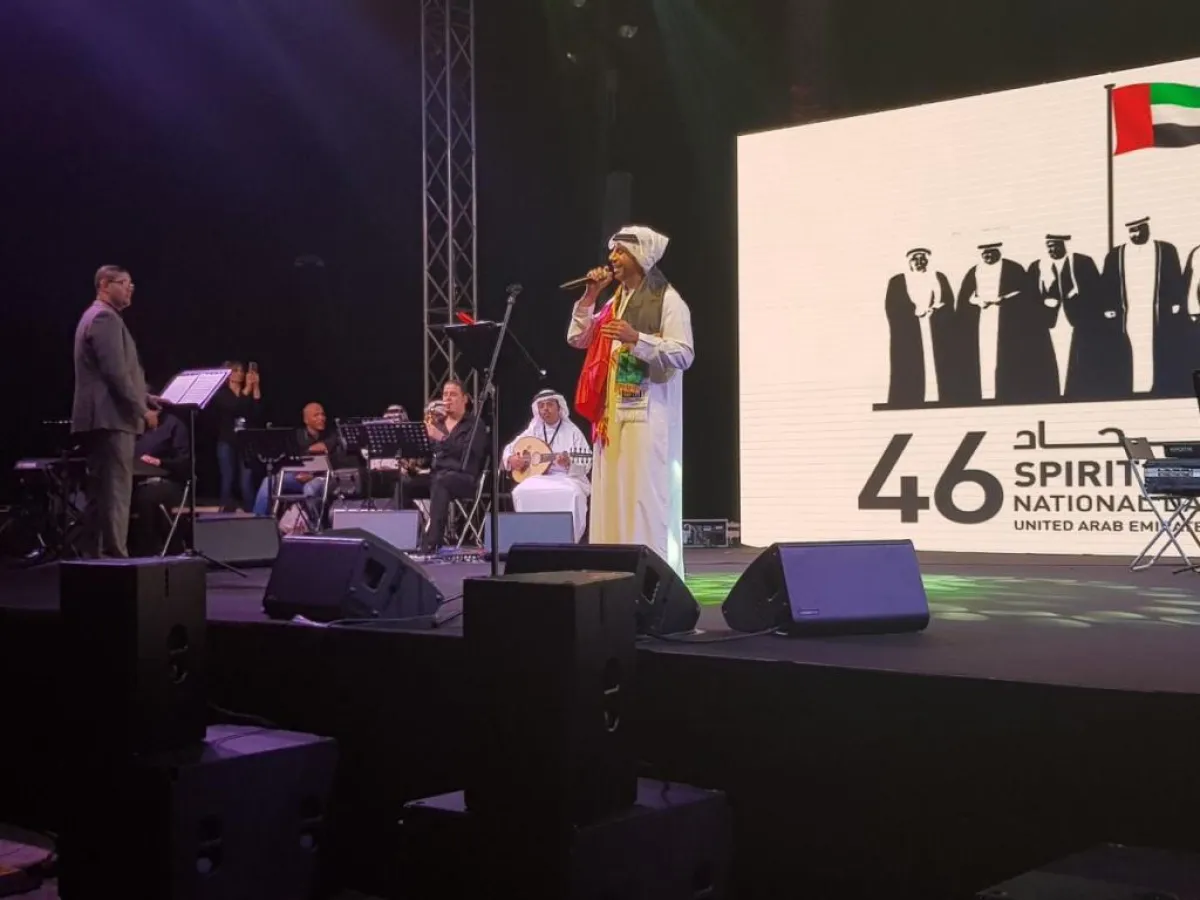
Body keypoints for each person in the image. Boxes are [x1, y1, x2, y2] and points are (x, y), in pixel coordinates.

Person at [567, 225, 694, 576]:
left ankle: (654, 579)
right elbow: (578, 339)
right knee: (612, 499)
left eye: (620, 252)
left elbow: (684, 354)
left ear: (641, 256)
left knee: (645, 500)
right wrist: (590, 297)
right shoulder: (614, 302)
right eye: (613, 251)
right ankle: (613, 576)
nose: (612, 258)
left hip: (649, 417)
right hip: (612, 418)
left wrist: (637, 338)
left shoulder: (668, 300)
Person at [71, 265, 158, 558]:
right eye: (124, 282)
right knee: (116, 491)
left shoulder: (97, 316)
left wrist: (147, 396)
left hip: (103, 418)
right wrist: (142, 409)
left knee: (101, 493)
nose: (130, 288)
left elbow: (110, 373)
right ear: (105, 285)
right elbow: (115, 373)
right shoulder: (104, 318)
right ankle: (114, 557)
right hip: (110, 418)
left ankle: (95, 557)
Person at [404, 380, 488, 554]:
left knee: (442, 480)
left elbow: (468, 454)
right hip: (437, 475)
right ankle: (410, 537)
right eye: (445, 394)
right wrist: (412, 465)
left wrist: (442, 438)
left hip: (464, 478)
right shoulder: (438, 423)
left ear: (465, 399)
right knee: (404, 482)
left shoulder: (475, 425)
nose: (447, 399)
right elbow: (427, 457)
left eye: (453, 394)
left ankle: (432, 543)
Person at [501, 389, 592, 542]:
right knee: (520, 491)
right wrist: (511, 459)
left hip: (566, 478)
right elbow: (509, 449)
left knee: (574, 494)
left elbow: (587, 462)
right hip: (539, 477)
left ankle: (568, 539)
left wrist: (569, 463)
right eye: (541, 406)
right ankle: (531, 538)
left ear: (559, 407)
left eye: (549, 404)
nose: (545, 409)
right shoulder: (533, 430)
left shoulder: (572, 432)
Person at [129, 405, 190, 556]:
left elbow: (183, 462)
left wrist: (159, 462)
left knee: (147, 497)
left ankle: (149, 552)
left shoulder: (173, 425)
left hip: (166, 481)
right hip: (132, 480)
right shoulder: (130, 424)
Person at [209, 360, 262, 511]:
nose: (240, 374)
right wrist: (247, 388)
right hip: (227, 441)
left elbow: (257, 412)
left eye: (241, 371)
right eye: (235, 371)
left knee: (246, 480)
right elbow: (235, 407)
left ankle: (252, 512)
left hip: (245, 442)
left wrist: (256, 387)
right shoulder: (222, 394)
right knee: (228, 478)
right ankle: (224, 511)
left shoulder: (247, 392)